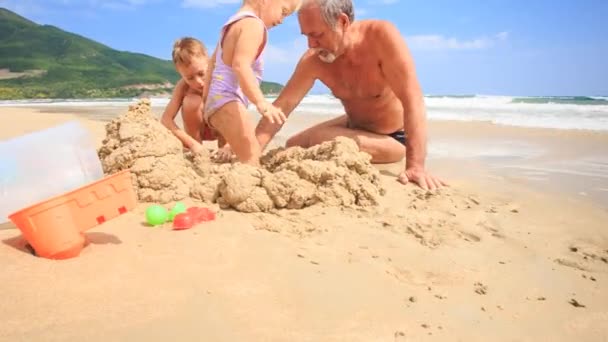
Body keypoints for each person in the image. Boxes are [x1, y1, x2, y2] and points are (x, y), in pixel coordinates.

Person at [254, 0, 447, 190]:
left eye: (317, 35)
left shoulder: (381, 37)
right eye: (306, 36)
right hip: (353, 124)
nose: (310, 44)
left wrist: (415, 166)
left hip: (394, 137)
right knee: (293, 144)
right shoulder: (314, 59)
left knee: (320, 138)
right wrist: (250, 151)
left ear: (343, 22)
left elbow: (413, 100)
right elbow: (282, 107)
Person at [202, 0, 301, 165]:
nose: (282, 20)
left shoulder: (233, 23)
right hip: (228, 100)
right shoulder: (254, 25)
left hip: (218, 100)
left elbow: (212, 63)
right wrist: (261, 103)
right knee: (252, 155)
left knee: (238, 150)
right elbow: (241, 66)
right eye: (283, 11)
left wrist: (206, 98)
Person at [160, 37, 227, 154]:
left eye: (201, 74)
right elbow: (166, 119)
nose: (198, 82)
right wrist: (191, 143)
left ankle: (224, 148)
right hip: (198, 131)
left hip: (222, 128)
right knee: (191, 101)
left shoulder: (220, 78)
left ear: (209, 61)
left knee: (222, 101)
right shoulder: (183, 86)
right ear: (181, 74)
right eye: (190, 78)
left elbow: (239, 111)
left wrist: (229, 145)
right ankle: (197, 150)